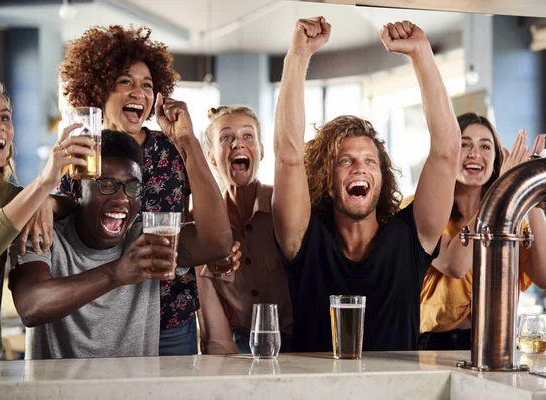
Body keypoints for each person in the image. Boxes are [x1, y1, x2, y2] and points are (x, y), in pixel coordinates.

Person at [273, 18, 461, 352]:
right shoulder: (304, 238)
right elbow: (288, 156)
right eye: (345, 160)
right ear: (326, 180)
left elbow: (446, 152)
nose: (360, 166)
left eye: (369, 161)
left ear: (382, 177)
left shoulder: (411, 237)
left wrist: (422, 55)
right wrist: (298, 56)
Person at [9, 97, 233, 359]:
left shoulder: (144, 239)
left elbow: (218, 242)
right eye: (105, 184)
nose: (121, 198)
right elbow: (30, 306)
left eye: (132, 187)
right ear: (79, 189)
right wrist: (117, 273)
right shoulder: (45, 232)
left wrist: (188, 142)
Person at [56, 25, 205, 355]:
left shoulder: (172, 148)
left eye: (148, 85)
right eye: (126, 81)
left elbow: (201, 219)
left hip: (171, 315)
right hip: (104, 315)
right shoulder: (82, 152)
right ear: (99, 88)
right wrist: (49, 204)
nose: (139, 92)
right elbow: (64, 215)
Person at [0, 79, 93, 360]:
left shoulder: (4, 194)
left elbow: (72, 208)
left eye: (5, 117)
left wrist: (48, 201)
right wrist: (44, 183)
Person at [413, 119, 546, 350]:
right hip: (433, 347)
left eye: (485, 146)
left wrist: (529, 188)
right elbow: (456, 265)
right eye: (465, 145)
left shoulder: (511, 220)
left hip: (496, 345)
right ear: (449, 153)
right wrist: (501, 190)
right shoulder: (420, 210)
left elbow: (543, 277)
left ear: (496, 162)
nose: (475, 153)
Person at [196, 106, 293, 354]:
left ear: (260, 151)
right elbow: (207, 300)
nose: (238, 144)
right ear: (213, 158)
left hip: (294, 341)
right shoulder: (204, 223)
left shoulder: (285, 206)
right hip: (237, 345)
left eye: (247, 136)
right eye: (226, 137)